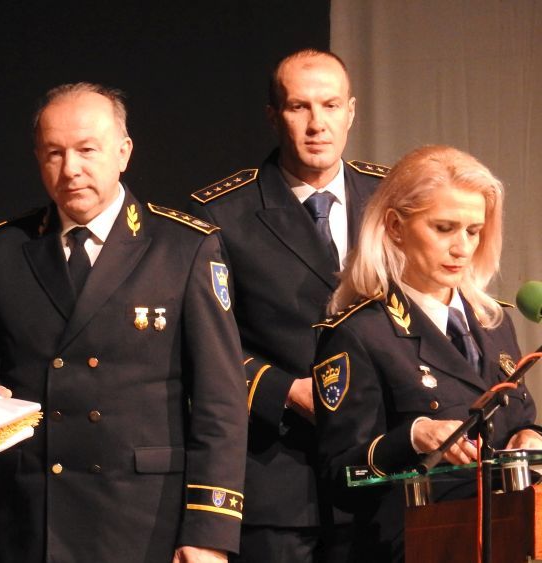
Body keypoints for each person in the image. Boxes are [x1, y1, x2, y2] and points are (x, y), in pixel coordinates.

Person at [0, 83, 247, 563]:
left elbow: (220, 400)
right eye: (54, 153)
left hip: (141, 518)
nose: (70, 169)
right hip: (31, 519)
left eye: (87, 150)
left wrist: (209, 531)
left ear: (124, 152)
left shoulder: (184, 248)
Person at [187, 48, 386, 562]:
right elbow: (202, 346)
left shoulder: (393, 199)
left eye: (331, 105)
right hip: (279, 480)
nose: (318, 124)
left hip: (380, 476)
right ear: (273, 116)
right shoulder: (221, 214)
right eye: (300, 107)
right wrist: (285, 391)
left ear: (351, 112)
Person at [312, 144, 542, 561]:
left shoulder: (494, 322)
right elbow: (340, 476)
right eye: (444, 228)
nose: (462, 248)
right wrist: (414, 436)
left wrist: (529, 439)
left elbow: (519, 421)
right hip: (414, 546)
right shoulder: (360, 332)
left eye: (473, 231)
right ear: (395, 226)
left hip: (507, 540)